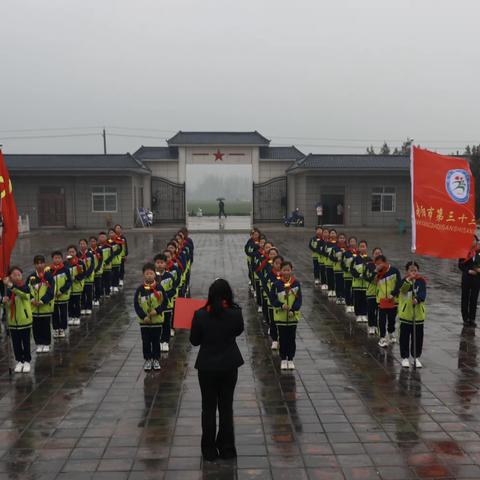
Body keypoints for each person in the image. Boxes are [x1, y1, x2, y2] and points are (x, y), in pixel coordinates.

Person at [190, 279, 244, 461]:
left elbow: (194, 341)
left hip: (207, 367)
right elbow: (238, 331)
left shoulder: (200, 315)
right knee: (226, 408)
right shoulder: (235, 314)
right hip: (229, 365)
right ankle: (227, 448)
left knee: (208, 408)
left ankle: (209, 450)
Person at [133, 262, 167, 372]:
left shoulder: (159, 288)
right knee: (146, 341)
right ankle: (148, 359)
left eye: (151, 273)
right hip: (145, 322)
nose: (149, 276)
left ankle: (156, 359)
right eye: (147, 274)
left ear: (155, 275)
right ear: (143, 275)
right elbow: (136, 305)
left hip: (157, 320)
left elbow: (165, 302)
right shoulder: (140, 289)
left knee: (156, 341)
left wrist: (157, 311)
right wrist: (143, 316)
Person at [270, 261, 302, 370]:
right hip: (281, 317)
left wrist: (293, 309)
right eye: (284, 270)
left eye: (288, 270)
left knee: (291, 338)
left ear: (291, 270)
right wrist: (280, 305)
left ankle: (291, 359)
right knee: (282, 338)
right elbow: (272, 299)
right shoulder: (276, 284)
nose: (286, 272)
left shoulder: (296, 283)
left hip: (292, 317)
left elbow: (299, 300)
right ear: (281, 271)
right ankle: (283, 359)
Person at [3, 267, 33, 373]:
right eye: (14, 274)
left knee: (25, 342)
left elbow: (23, 294)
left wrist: (11, 286)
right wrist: (4, 301)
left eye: (19, 274)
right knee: (15, 343)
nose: (17, 276)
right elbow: (6, 306)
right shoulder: (7, 290)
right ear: (10, 276)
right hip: (12, 322)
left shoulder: (25, 286)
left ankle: (27, 361)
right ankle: (19, 360)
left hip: (24, 320)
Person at [398, 261, 427, 369]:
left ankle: (416, 357)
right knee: (404, 337)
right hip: (406, 314)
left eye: (415, 270)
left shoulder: (421, 281)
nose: (413, 272)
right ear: (407, 271)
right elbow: (402, 290)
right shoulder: (403, 281)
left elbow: (423, 294)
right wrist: (409, 281)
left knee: (418, 338)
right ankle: (405, 357)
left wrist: (418, 299)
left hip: (418, 315)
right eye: (411, 270)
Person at [28, 255, 54, 353]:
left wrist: (42, 301)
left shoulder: (49, 276)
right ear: (34, 265)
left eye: (41, 263)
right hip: (34, 307)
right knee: (36, 327)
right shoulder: (31, 277)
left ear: (44, 264)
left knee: (46, 326)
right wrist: (32, 300)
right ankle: (39, 343)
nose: (39, 265)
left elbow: (51, 291)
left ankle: (46, 343)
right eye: (37, 263)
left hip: (45, 307)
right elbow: (27, 290)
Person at [375, 255, 401, 347]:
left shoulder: (394, 271)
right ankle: (382, 337)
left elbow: (398, 284)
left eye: (380, 263)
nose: (379, 265)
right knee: (381, 319)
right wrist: (376, 272)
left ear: (385, 262)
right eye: (377, 264)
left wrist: (393, 294)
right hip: (381, 300)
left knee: (391, 319)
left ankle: (391, 332)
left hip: (392, 300)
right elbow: (371, 281)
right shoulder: (377, 273)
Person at [154, 253, 176, 352]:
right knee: (158, 324)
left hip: (167, 305)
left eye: (161, 263)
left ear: (165, 264)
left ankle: (165, 342)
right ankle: (158, 341)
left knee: (166, 324)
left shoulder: (169, 276)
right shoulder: (152, 277)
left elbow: (173, 290)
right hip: (157, 306)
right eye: (157, 263)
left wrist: (164, 296)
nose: (159, 265)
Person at [459, 235, 480, 327]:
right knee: (465, 298)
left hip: (476, 279)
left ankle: (472, 318)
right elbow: (460, 265)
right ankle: (465, 318)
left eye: (474, 240)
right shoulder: (464, 251)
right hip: (467, 278)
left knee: (474, 299)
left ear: (477, 241)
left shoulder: (479, 252)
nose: (472, 241)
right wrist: (468, 270)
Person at [50, 250, 72, 338]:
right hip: (53, 297)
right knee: (54, 313)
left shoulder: (65, 269)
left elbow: (69, 282)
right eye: (55, 258)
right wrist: (52, 292)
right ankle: (56, 329)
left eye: (59, 258)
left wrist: (61, 291)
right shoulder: (49, 270)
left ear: (62, 259)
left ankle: (62, 328)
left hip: (63, 296)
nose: (57, 260)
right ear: (52, 259)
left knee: (63, 313)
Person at [365, 247, 383, 335]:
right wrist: (375, 272)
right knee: (371, 310)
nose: (378, 255)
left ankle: (377, 326)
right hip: (371, 291)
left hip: (381, 293)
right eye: (376, 253)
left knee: (380, 312)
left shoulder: (385, 266)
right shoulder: (369, 265)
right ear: (373, 255)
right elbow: (367, 277)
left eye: (379, 253)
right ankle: (371, 325)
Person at [350, 240, 369, 323]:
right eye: (361, 246)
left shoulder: (369, 259)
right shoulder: (356, 259)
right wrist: (358, 275)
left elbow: (371, 270)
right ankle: (358, 314)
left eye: (364, 246)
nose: (362, 248)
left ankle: (364, 314)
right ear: (358, 248)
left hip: (366, 285)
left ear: (366, 248)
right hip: (357, 283)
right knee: (357, 300)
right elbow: (352, 270)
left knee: (364, 300)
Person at [66, 245, 85, 326]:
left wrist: (76, 278)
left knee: (77, 302)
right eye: (70, 252)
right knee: (70, 303)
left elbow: (83, 273)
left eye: (73, 252)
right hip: (69, 288)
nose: (71, 253)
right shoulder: (65, 263)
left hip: (77, 286)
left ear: (76, 252)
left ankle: (77, 316)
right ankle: (71, 316)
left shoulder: (80, 262)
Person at [79, 239, 95, 315]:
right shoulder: (77, 255)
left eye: (84, 244)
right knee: (82, 293)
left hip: (89, 277)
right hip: (81, 278)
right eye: (81, 244)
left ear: (86, 245)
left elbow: (92, 265)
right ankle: (83, 307)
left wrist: (87, 274)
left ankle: (89, 307)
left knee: (89, 293)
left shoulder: (90, 254)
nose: (82, 245)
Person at [341, 237, 357, 313]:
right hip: (347, 275)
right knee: (347, 290)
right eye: (351, 241)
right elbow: (342, 264)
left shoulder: (359, 253)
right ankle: (348, 304)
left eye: (354, 241)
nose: (352, 243)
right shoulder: (346, 253)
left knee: (354, 291)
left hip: (355, 277)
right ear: (349, 243)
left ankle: (353, 304)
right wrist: (347, 269)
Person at [89, 236, 103, 307]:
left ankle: (97, 298)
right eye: (91, 241)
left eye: (94, 241)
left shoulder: (99, 250)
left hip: (97, 271)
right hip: (90, 272)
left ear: (96, 242)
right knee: (91, 286)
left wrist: (97, 268)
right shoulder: (88, 251)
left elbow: (101, 260)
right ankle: (92, 298)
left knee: (98, 286)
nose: (93, 243)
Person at [98, 232, 113, 297]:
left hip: (107, 267)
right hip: (100, 268)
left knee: (107, 280)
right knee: (100, 281)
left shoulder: (109, 246)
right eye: (101, 237)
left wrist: (106, 262)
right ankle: (100, 293)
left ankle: (107, 292)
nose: (102, 238)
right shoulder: (97, 247)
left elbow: (111, 256)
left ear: (106, 238)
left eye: (103, 237)